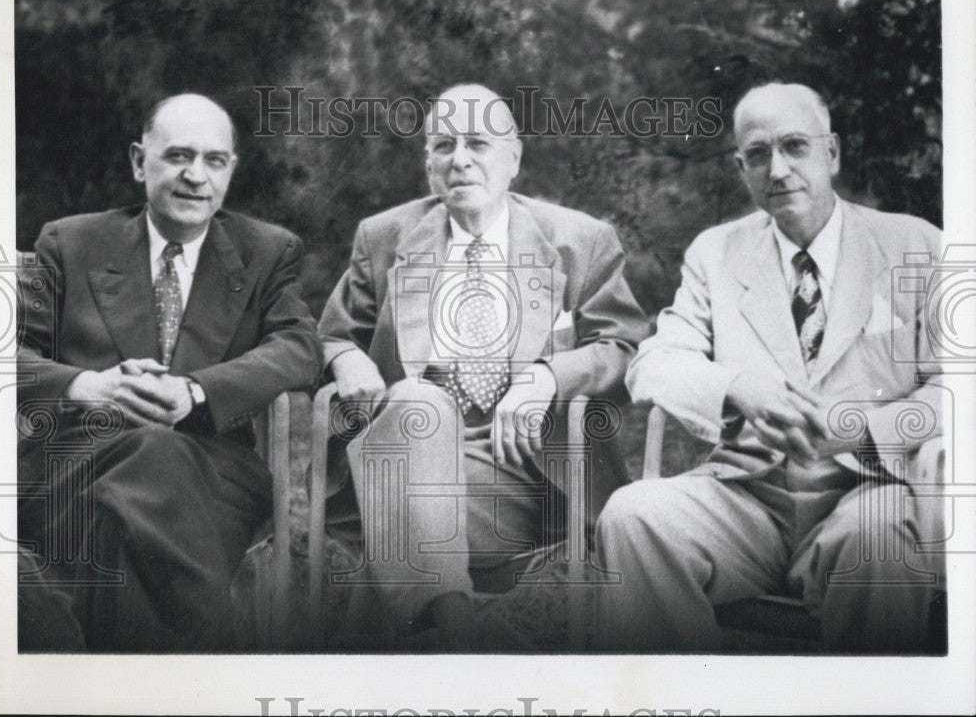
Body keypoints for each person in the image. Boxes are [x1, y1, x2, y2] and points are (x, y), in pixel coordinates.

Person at [596, 82, 943, 652]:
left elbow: (958, 390)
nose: (777, 169)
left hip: (866, 489)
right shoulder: (717, 252)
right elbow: (654, 362)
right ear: (741, 167)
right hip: (748, 496)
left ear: (831, 153)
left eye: (795, 147)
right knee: (634, 515)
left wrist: (860, 428)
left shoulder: (915, 245)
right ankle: (674, 695)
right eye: (758, 155)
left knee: (876, 537)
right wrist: (736, 385)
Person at [318, 83, 650, 648]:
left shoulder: (580, 241)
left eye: (478, 143)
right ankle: (457, 632)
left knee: (394, 526)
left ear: (514, 158)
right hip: (410, 452)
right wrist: (346, 357)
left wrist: (548, 376)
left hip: (528, 478)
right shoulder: (384, 238)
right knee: (419, 404)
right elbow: (329, 334)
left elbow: (622, 347)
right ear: (428, 164)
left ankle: (385, 662)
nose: (460, 159)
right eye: (443, 145)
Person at [16, 93, 323, 650]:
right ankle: (205, 669)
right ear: (139, 161)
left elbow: (301, 345)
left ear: (231, 170)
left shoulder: (266, 252)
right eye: (178, 156)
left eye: (214, 160)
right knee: (150, 454)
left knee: (137, 492)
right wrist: (89, 386)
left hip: (211, 478)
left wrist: (196, 393)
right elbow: (3, 356)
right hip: (79, 467)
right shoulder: (71, 243)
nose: (195, 176)